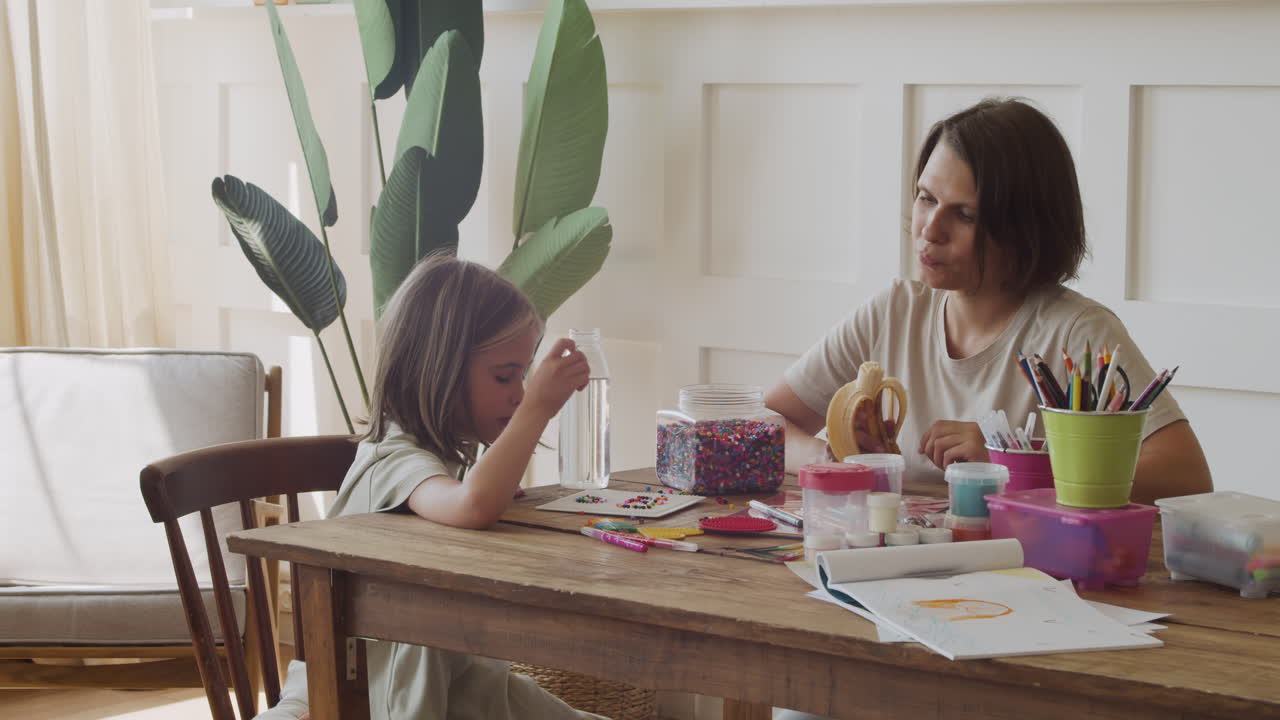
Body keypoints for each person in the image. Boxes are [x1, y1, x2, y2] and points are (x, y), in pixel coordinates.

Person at [765, 98, 1212, 505]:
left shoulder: (1077, 331)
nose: (930, 229)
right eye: (926, 198)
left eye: (965, 215)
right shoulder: (894, 311)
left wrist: (1012, 463)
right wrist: (833, 457)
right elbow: (769, 421)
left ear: (1025, 227)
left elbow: (1186, 476)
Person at [327, 253, 606, 720]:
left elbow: (469, 502)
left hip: (464, 684)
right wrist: (537, 408)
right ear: (436, 368)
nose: (518, 392)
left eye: (523, 376)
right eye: (505, 376)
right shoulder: (390, 459)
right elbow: (472, 506)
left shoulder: (435, 465)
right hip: (374, 697)